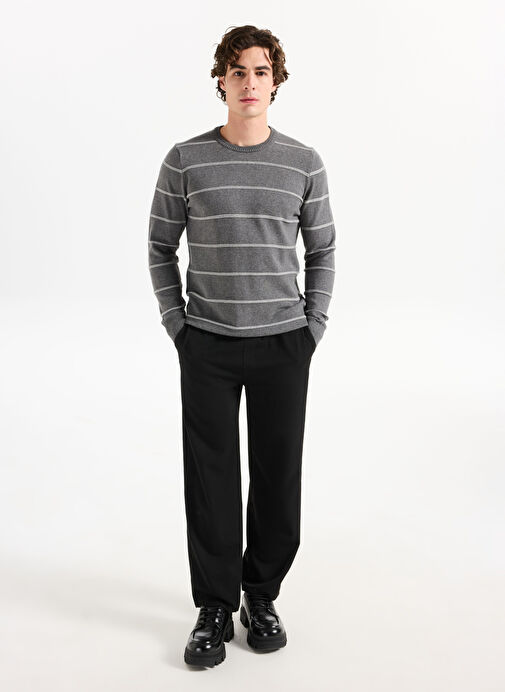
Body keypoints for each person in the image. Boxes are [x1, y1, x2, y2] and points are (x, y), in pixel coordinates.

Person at [148, 25, 336, 667]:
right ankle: (213, 605)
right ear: (221, 81)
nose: (249, 82)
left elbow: (324, 249)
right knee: (211, 480)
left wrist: (313, 326)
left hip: (284, 341)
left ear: (275, 81)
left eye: (260, 71)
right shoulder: (186, 159)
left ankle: (261, 594)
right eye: (237, 71)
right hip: (207, 344)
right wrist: (178, 324)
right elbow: (159, 246)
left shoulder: (303, 162)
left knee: (278, 475)